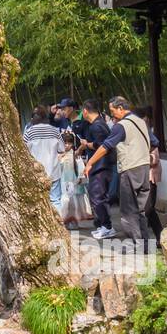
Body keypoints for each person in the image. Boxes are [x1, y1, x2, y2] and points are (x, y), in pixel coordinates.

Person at [84, 97, 152, 250]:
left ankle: (137, 244)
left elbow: (105, 146)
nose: (112, 115)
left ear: (121, 108)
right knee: (140, 209)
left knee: (128, 210)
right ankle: (145, 244)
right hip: (144, 168)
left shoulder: (121, 126)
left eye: (113, 111)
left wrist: (90, 162)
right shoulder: (141, 121)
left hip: (130, 169)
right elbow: (154, 142)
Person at [76, 98, 115, 239]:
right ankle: (102, 225)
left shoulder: (97, 126)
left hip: (101, 166)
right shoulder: (99, 123)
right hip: (100, 166)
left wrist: (87, 144)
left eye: (82, 111)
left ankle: (107, 226)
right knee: (98, 196)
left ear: (85, 111)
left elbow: (102, 145)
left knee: (98, 197)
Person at [22, 105, 65, 207]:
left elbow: (23, 151)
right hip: (53, 171)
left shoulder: (29, 132)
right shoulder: (54, 131)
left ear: (34, 119)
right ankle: (58, 222)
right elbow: (62, 149)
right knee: (55, 200)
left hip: (36, 172)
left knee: (38, 202)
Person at [134, 106, 163, 242]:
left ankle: (159, 237)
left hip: (149, 177)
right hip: (139, 176)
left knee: (148, 208)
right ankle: (157, 237)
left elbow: (154, 159)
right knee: (145, 209)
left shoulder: (149, 135)